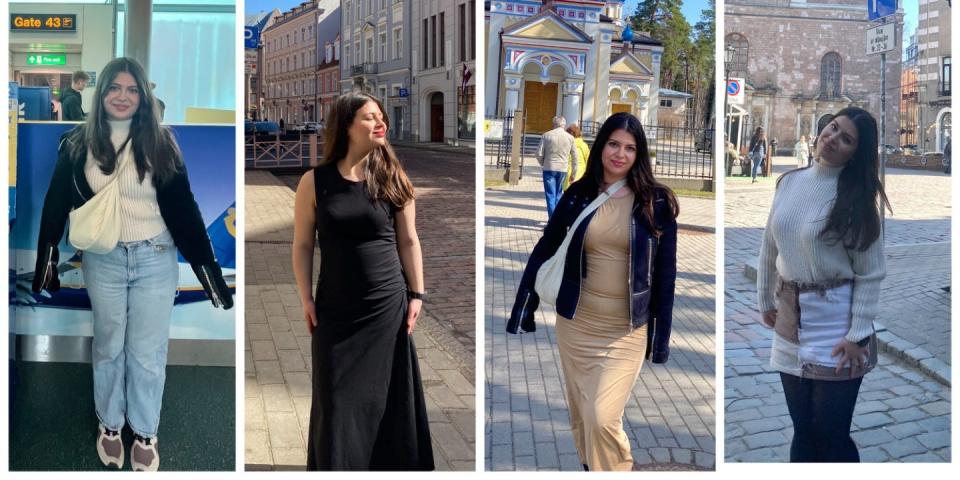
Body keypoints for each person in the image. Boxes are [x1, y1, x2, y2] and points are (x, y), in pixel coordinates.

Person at [32, 57, 233, 471]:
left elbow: (185, 209)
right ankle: (110, 423)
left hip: (155, 257)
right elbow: (54, 205)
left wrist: (207, 271)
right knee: (108, 345)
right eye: (114, 88)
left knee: (146, 351)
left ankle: (144, 429)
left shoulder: (162, 143)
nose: (122, 97)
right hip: (102, 258)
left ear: (143, 96)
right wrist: (47, 258)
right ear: (100, 92)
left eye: (132, 89)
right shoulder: (75, 142)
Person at [507, 112, 678, 471]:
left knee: (602, 417)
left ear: (640, 153)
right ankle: (591, 468)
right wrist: (524, 303)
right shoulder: (579, 194)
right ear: (601, 145)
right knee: (583, 414)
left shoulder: (655, 201)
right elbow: (546, 247)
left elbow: (665, 275)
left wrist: (660, 339)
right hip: (577, 325)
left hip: (626, 329)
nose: (620, 154)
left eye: (630, 148)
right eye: (614, 144)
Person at [291, 92, 434, 471]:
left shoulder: (393, 177)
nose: (380, 122)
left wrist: (417, 294)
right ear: (347, 126)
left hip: (386, 306)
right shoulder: (314, 181)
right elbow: (303, 244)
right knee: (336, 398)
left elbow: (409, 240)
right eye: (370, 117)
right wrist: (306, 298)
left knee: (385, 398)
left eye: (381, 116)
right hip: (335, 308)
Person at [757, 107, 891, 462]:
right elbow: (769, 244)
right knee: (803, 430)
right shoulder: (789, 182)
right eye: (833, 129)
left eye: (846, 139)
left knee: (831, 435)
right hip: (789, 317)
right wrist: (764, 300)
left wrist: (857, 334)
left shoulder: (857, 200)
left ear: (855, 153)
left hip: (837, 328)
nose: (833, 139)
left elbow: (871, 272)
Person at [537, 116, 580, 217]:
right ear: (564, 125)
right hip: (563, 170)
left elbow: (538, 154)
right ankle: (557, 220)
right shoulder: (570, 138)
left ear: (554, 124)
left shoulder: (546, 135)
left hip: (549, 168)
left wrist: (544, 162)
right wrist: (574, 173)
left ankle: (552, 221)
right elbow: (575, 157)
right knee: (558, 195)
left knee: (550, 195)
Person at [564, 123, 589, 190]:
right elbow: (588, 160)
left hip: (567, 172)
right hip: (581, 173)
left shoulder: (566, 144)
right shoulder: (583, 145)